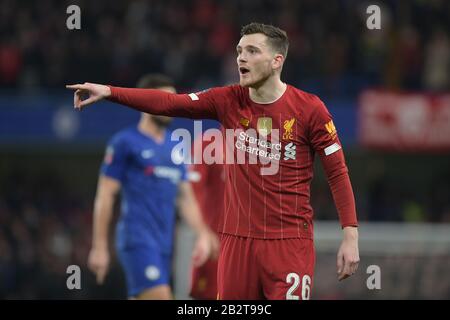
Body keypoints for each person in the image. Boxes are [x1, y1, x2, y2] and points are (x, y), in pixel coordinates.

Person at [68, 22, 360, 300]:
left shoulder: (310, 109)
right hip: (235, 244)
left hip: (288, 243)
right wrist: (109, 91)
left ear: (276, 61)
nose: (241, 58)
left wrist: (350, 236)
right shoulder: (228, 100)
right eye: (239, 51)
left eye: (252, 51)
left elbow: (337, 173)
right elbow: (171, 103)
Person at [86, 74, 218, 300]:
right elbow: (105, 195)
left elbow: (185, 198)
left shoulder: (176, 145)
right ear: (147, 101)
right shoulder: (125, 143)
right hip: (137, 239)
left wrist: (202, 233)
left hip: (165, 245)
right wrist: (99, 247)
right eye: (165, 99)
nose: (172, 105)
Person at [188, 133, 225, 300]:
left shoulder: (260, 150)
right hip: (215, 246)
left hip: (249, 247)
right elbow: (189, 193)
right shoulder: (208, 145)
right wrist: (203, 233)